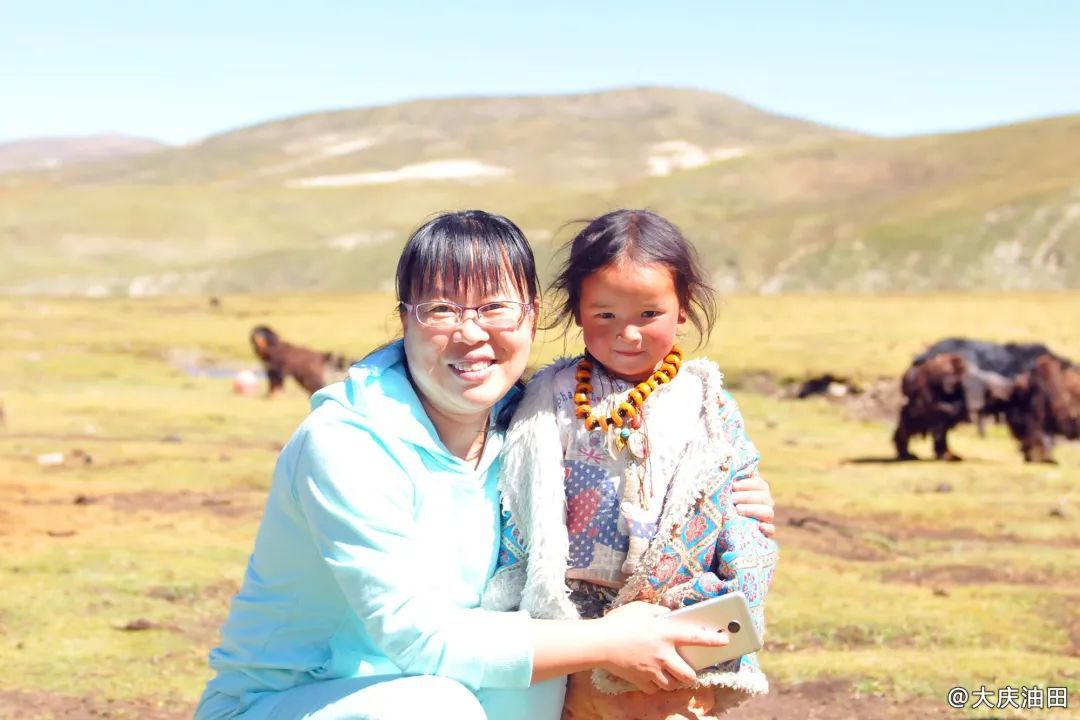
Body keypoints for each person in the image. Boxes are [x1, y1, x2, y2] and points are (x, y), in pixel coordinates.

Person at [195, 210, 776, 720]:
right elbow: (417, 638)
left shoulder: (528, 432)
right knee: (432, 708)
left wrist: (729, 499)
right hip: (299, 703)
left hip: (439, 691)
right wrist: (609, 640)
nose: (471, 332)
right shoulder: (346, 443)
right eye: (441, 309)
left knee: (537, 682)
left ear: (532, 316)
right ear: (405, 318)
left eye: (495, 307)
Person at [483, 209, 779, 720]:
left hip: (675, 627)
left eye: (649, 314)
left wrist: (735, 597)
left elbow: (740, 511)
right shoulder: (546, 400)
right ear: (578, 310)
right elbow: (514, 495)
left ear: (683, 307)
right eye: (606, 315)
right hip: (575, 634)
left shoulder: (708, 404)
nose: (629, 335)